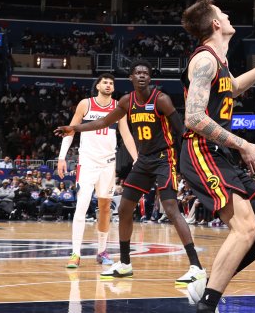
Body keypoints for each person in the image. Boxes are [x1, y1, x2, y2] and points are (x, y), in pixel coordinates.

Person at [176, 0, 255, 312]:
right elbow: (194, 118)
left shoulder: (220, 63)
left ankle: (209, 286)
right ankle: (208, 302)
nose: (228, 16)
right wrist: (242, 144)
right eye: (223, 13)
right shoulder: (204, 60)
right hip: (201, 150)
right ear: (215, 23)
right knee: (246, 229)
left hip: (218, 154)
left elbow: (234, 88)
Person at [55, 62, 204, 287]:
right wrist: (74, 128)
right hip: (143, 161)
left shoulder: (161, 99)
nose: (142, 76)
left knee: (171, 208)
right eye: (138, 73)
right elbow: (103, 121)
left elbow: (181, 131)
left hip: (164, 159)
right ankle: (124, 263)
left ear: (150, 77)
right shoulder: (127, 101)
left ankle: (196, 267)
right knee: (125, 208)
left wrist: (190, 158)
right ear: (131, 77)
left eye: (146, 72)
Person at [56, 73, 138, 268]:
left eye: (111, 83)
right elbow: (70, 130)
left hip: (108, 164)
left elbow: (126, 135)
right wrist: (62, 157)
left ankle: (102, 252)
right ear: (98, 86)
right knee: (82, 206)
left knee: (104, 209)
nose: (109, 85)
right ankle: (75, 253)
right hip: (87, 162)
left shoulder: (119, 107)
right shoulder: (86, 104)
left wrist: (136, 158)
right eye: (105, 82)